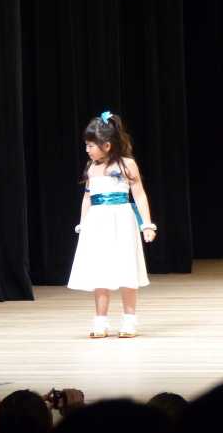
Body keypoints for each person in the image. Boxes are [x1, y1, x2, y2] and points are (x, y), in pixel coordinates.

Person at [68, 111, 157, 338]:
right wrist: (83, 223)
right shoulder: (91, 167)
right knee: (100, 270)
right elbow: (87, 197)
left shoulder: (127, 164)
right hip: (98, 222)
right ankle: (101, 320)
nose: (87, 149)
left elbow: (139, 195)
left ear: (107, 145)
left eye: (91, 145)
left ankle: (129, 320)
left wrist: (147, 224)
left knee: (126, 268)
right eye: (86, 145)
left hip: (122, 220)